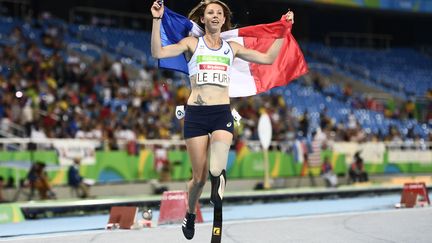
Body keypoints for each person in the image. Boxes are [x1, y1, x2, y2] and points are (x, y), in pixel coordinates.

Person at [151, 0, 294, 240]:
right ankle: (190, 213)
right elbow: (158, 52)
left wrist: (284, 30)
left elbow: (269, 58)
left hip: (221, 115)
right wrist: (156, 20)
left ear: (223, 19)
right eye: (210, 13)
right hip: (196, 115)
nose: (215, 15)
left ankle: (217, 194)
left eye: (219, 12)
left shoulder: (232, 47)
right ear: (203, 19)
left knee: (216, 169)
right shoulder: (191, 43)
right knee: (199, 178)